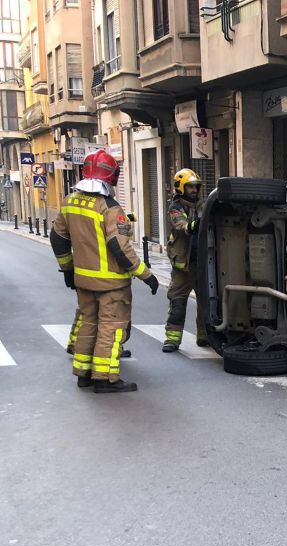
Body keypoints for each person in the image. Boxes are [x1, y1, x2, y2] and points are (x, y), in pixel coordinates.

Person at [50, 149, 159, 393]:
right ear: (111, 177)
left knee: (88, 323)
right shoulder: (109, 207)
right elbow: (119, 247)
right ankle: (106, 379)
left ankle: (83, 374)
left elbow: (57, 238)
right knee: (111, 329)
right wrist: (147, 275)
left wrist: (67, 269)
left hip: (84, 281)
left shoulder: (70, 202)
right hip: (111, 284)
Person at [162, 168, 206, 353]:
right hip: (183, 267)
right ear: (181, 188)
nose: (194, 190)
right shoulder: (175, 208)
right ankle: (172, 339)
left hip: (203, 263)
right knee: (178, 303)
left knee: (207, 302)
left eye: (196, 187)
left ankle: (205, 336)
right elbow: (182, 226)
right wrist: (196, 224)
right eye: (190, 187)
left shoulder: (204, 205)